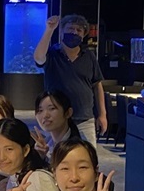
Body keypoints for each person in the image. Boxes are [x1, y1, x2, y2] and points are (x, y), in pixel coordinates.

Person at [34, 15, 107, 147]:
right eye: (70, 28)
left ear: (84, 35)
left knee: (88, 154)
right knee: (56, 155)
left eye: (79, 30)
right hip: (57, 118)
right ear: (62, 31)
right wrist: (49, 29)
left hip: (85, 118)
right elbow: (38, 58)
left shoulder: (89, 56)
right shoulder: (52, 54)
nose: (74, 32)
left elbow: (97, 85)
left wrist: (102, 114)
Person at [32, 90, 81, 161]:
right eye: (40, 110)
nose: (45, 115)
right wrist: (40, 157)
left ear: (68, 113)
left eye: (52, 108)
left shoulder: (77, 148)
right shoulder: (45, 144)